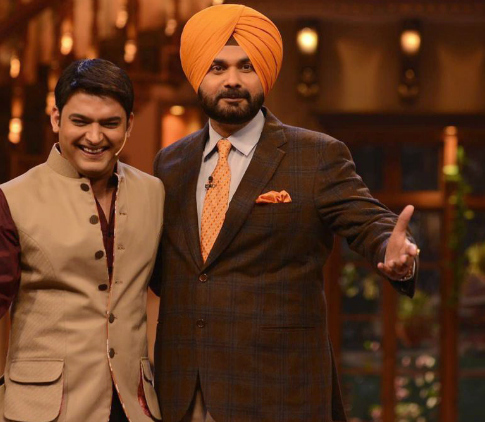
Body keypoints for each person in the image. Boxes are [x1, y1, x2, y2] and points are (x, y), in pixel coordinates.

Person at [151, 4, 419, 421]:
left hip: (278, 390)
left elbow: (369, 222)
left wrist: (392, 250)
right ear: (197, 74)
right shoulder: (170, 163)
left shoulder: (315, 155)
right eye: (218, 67)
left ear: (265, 74)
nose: (233, 81)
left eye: (247, 66)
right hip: (185, 390)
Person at [0, 58, 163, 422]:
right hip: (43, 411)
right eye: (80, 121)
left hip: (133, 410)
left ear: (129, 124)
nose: (94, 137)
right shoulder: (13, 199)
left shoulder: (153, 193)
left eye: (109, 123)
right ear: (56, 119)